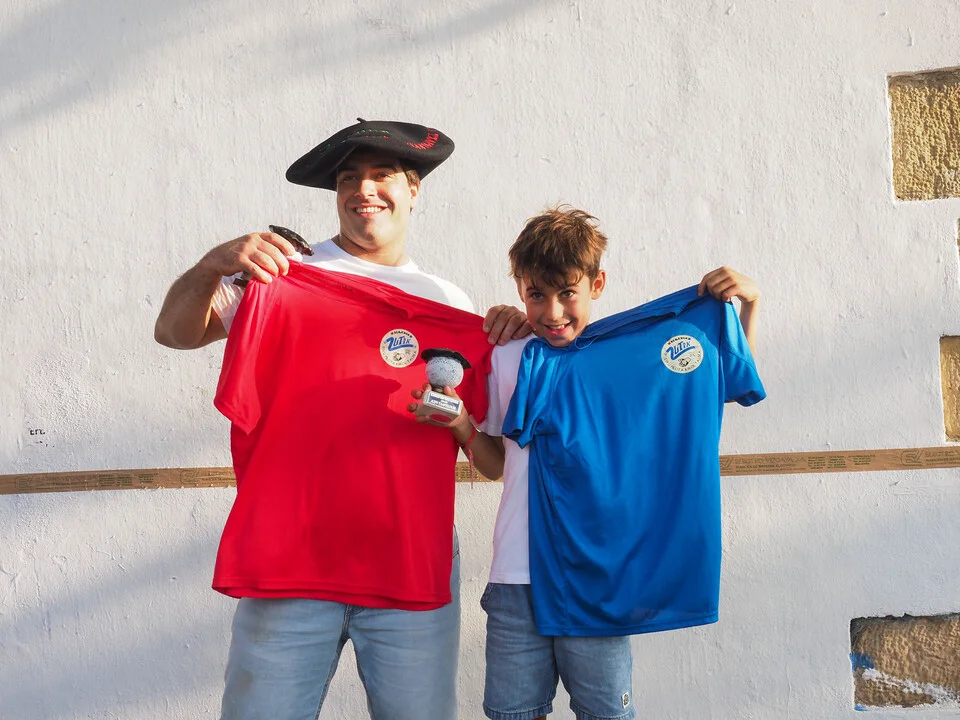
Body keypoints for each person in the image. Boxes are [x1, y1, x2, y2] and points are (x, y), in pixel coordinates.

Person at [154, 119, 528, 720]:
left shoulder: (450, 304)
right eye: (349, 179)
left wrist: (519, 327)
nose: (363, 190)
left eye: (382, 175)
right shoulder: (280, 275)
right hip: (290, 561)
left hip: (408, 564)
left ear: (413, 189)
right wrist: (211, 266)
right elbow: (173, 333)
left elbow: (493, 455)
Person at [411, 206, 764, 720]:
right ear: (519, 289)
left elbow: (722, 375)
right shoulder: (507, 355)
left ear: (597, 284)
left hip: (600, 578)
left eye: (567, 293)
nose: (552, 312)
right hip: (515, 580)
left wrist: (748, 306)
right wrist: (462, 423)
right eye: (536, 295)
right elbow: (496, 466)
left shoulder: (636, 354)